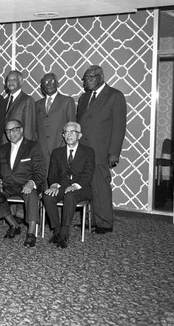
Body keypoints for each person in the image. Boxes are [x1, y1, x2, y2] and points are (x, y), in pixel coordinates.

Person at [77, 65, 127, 234]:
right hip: (84, 150)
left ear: (101, 77)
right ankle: (89, 220)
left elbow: (119, 127)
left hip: (101, 151)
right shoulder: (84, 97)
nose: (87, 81)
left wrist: (114, 153)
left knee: (101, 187)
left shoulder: (114, 96)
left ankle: (105, 222)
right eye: (85, 78)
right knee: (87, 186)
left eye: (90, 78)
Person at [0, 119, 46, 248]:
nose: (11, 133)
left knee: (32, 195)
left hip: (26, 184)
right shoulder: (3, 149)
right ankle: (14, 225)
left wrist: (32, 183)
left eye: (14, 130)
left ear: (21, 130)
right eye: (8, 131)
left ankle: (31, 233)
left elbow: (40, 170)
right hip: (8, 185)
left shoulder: (32, 146)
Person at [42, 122, 95, 248]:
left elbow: (88, 175)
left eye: (73, 132)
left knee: (70, 196)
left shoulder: (88, 152)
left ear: (80, 135)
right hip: (62, 186)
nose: (69, 135)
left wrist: (76, 185)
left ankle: (64, 232)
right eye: (66, 132)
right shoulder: (57, 152)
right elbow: (53, 173)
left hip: (81, 188)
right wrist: (54, 185)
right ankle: (56, 230)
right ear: (63, 135)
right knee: (47, 197)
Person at [35, 72, 76, 171]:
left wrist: (69, 148)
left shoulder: (67, 101)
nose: (48, 83)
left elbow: (72, 126)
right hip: (42, 150)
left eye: (52, 81)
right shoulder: (36, 104)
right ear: (42, 86)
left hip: (61, 147)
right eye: (45, 81)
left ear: (57, 84)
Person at [3, 70, 36, 142]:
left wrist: (26, 148)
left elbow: (29, 129)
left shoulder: (27, 100)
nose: (10, 82)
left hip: (21, 146)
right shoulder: (4, 101)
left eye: (14, 79)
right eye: (8, 80)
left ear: (20, 82)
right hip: (5, 146)